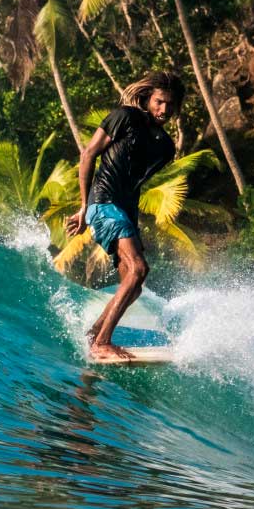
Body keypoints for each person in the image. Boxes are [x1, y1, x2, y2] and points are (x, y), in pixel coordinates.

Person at [66, 71, 183, 360]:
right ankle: (102, 343)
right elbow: (88, 155)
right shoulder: (124, 117)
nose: (164, 110)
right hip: (103, 201)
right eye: (159, 102)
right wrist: (84, 207)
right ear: (147, 98)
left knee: (135, 286)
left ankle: (94, 334)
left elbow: (134, 182)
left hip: (124, 211)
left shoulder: (166, 147)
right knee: (138, 269)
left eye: (169, 104)